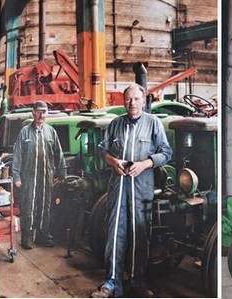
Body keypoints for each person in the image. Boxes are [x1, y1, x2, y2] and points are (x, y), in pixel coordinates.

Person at [92, 84, 172, 298]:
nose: (132, 103)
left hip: (141, 187)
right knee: (114, 235)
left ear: (144, 101)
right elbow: (103, 150)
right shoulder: (116, 124)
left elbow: (166, 152)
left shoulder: (154, 124)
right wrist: (112, 161)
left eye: (136, 99)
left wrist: (145, 164)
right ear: (123, 101)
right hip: (118, 187)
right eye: (128, 99)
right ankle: (110, 284)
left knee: (140, 235)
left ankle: (137, 282)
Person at [11, 101, 66, 249]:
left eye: (44, 111)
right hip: (29, 177)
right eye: (38, 111)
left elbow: (58, 153)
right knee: (28, 207)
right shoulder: (25, 133)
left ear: (47, 114)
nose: (41, 115)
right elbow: (17, 155)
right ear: (33, 113)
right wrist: (16, 176)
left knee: (45, 206)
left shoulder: (50, 132)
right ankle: (27, 238)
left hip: (46, 176)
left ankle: (42, 236)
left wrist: (62, 172)